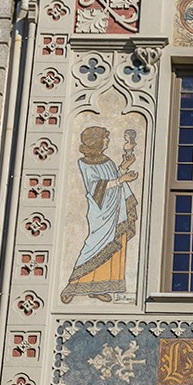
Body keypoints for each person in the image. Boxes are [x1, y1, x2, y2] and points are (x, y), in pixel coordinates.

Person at [61, 126, 138, 303]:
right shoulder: (84, 163)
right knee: (94, 245)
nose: (108, 141)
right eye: (105, 138)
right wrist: (121, 180)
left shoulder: (108, 161)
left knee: (115, 245)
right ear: (96, 142)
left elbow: (113, 177)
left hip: (116, 210)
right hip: (101, 212)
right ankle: (73, 284)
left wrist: (123, 168)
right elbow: (95, 187)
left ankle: (99, 287)